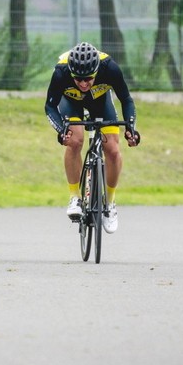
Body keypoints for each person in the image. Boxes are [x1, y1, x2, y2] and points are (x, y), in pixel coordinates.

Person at [44, 42, 140, 234]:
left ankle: (110, 203)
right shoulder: (61, 72)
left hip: (100, 102)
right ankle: (75, 197)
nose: (83, 84)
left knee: (113, 150)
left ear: (97, 70)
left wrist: (131, 127)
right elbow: (50, 106)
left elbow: (126, 99)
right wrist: (61, 130)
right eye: (78, 79)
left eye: (88, 78)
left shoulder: (109, 68)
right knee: (75, 140)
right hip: (71, 103)